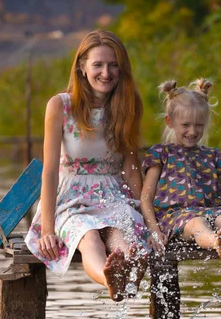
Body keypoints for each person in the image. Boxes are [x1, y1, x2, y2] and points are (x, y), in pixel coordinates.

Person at [25, 30, 148, 302]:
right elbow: (49, 172)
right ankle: (111, 280)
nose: (106, 72)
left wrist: (145, 211)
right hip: (71, 198)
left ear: (122, 68)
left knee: (121, 234)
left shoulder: (128, 105)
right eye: (98, 65)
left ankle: (129, 267)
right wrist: (47, 230)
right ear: (82, 67)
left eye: (114, 64)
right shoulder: (61, 106)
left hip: (113, 194)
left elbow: (130, 166)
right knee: (88, 236)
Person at [140, 78, 221, 319]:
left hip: (213, 209)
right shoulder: (161, 154)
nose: (192, 131)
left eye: (199, 126)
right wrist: (154, 230)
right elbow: (146, 198)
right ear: (170, 122)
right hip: (177, 215)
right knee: (198, 224)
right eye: (186, 125)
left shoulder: (213, 155)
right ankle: (214, 241)